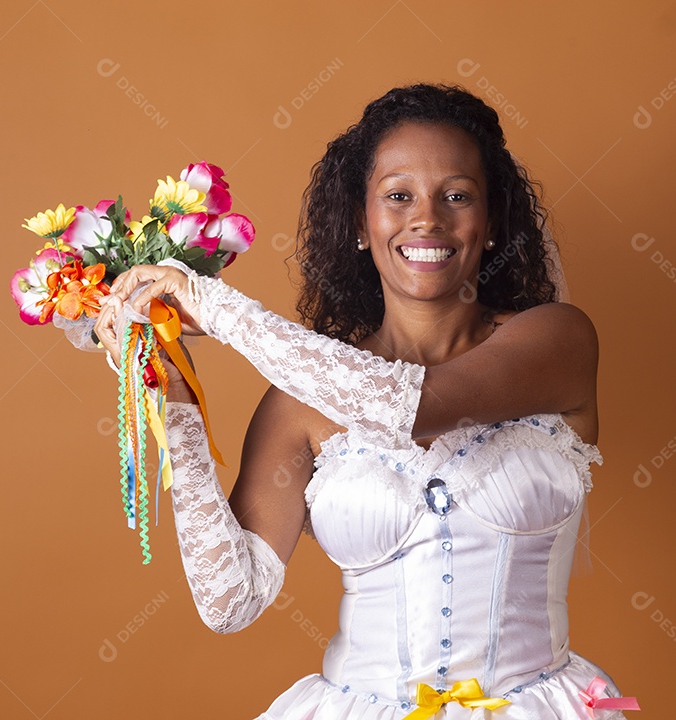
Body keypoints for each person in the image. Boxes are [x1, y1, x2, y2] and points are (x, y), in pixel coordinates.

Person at [95, 84, 637, 719]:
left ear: (492, 225)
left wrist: (213, 307)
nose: (427, 218)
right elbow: (229, 601)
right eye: (398, 196)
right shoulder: (297, 406)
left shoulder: (556, 340)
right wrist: (175, 404)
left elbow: (412, 406)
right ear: (360, 222)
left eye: (457, 196)